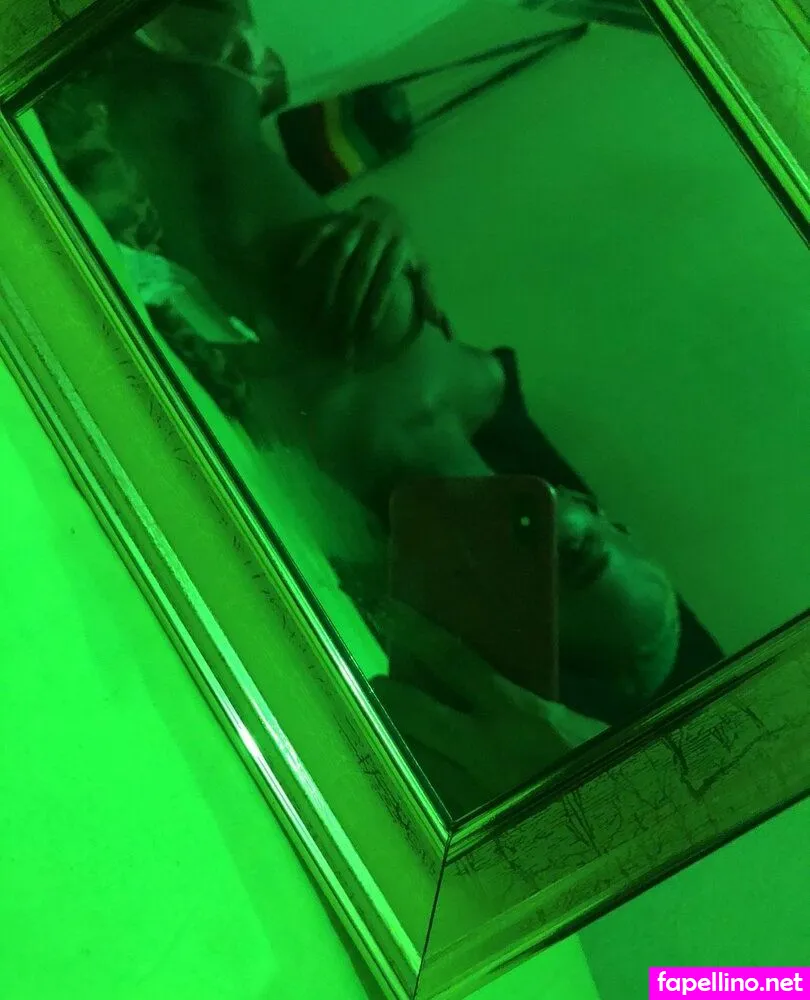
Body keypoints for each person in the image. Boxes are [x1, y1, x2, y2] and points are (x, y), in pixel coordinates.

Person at [36, 0, 721, 815]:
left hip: (47, 168)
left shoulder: (324, 545)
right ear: (586, 507)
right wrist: (384, 219)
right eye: (579, 549)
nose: (538, 548)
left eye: (537, 597)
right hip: (165, 46)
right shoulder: (463, 381)